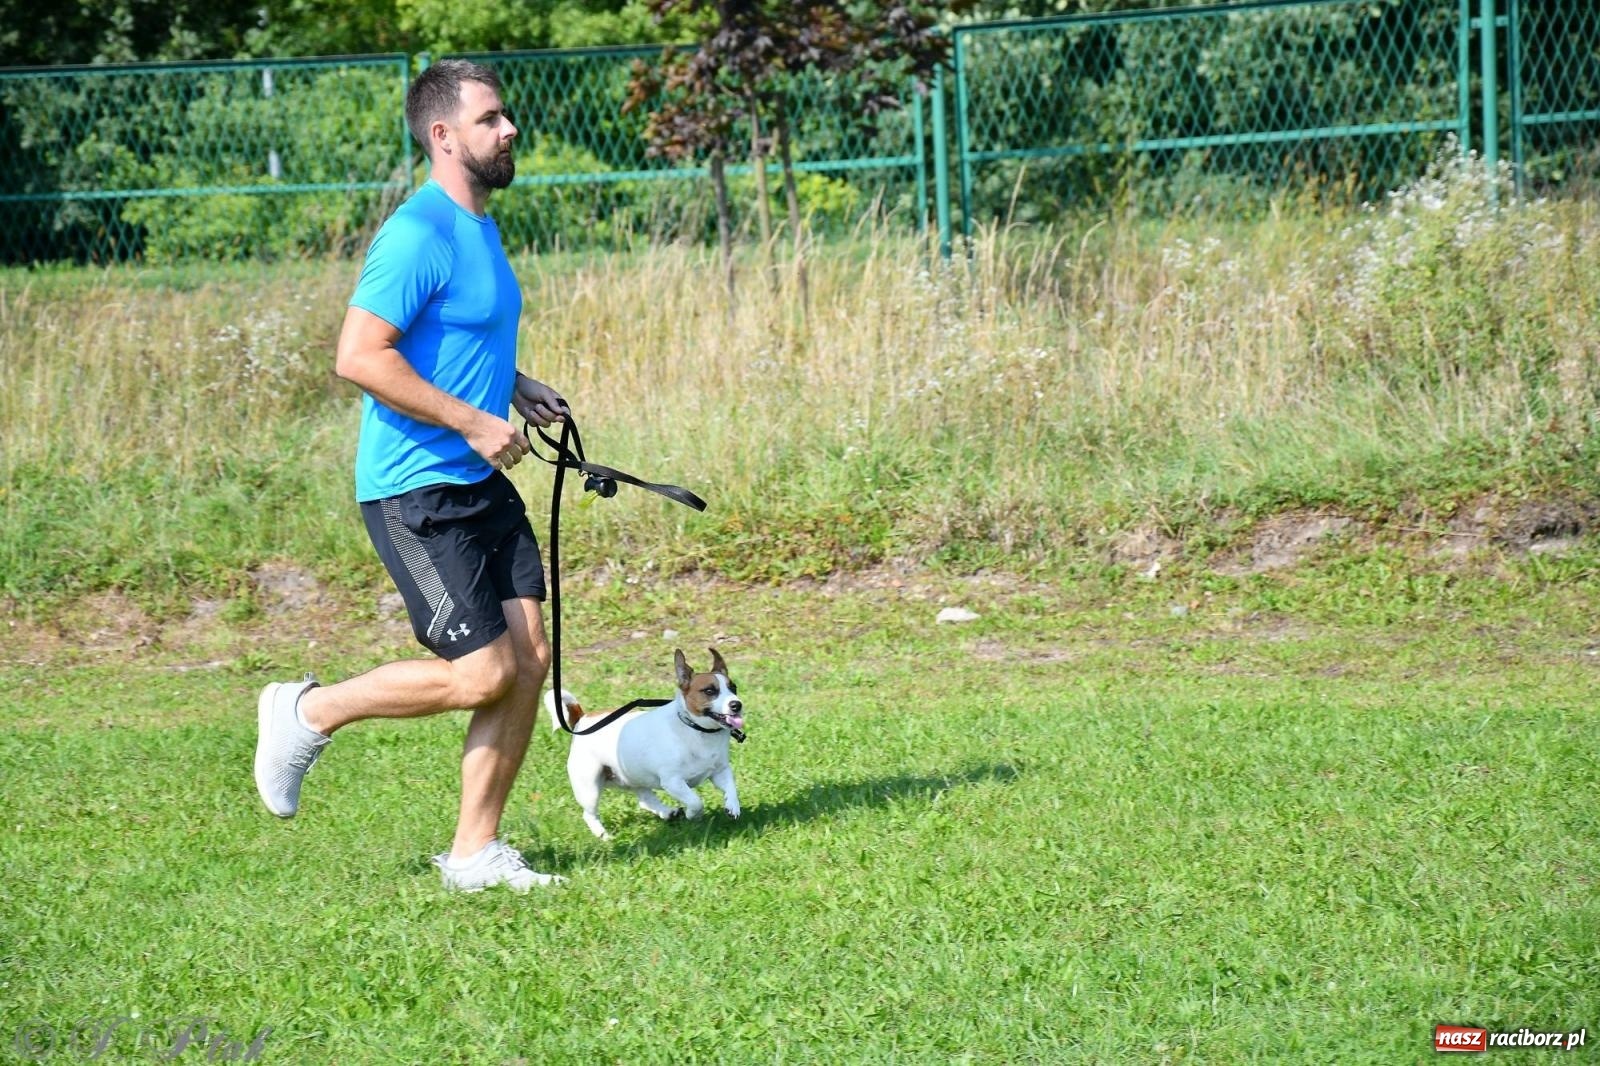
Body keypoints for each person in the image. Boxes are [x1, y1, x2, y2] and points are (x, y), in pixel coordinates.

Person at [253, 59, 567, 892]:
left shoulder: (480, 230)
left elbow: (453, 341)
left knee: (528, 658)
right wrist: (470, 418)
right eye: (491, 119)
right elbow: (358, 356)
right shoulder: (418, 232)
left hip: (476, 476)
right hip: (414, 487)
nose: (509, 131)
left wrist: (514, 385)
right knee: (483, 673)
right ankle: (307, 711)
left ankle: (473, 855)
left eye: (506, 118)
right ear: (442, 135)